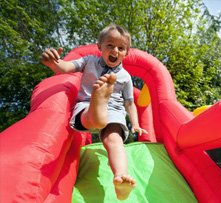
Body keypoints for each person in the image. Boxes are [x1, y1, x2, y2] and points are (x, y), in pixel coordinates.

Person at [41, 23, 147, 200]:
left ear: (126, 53)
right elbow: (65, 67)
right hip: (87, 103)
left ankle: (120, 176)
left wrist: (135, 123)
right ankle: (98, 104)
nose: (115, 50)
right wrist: (54, 62)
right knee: (101, 127)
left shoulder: (125, 77)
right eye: (110, 45)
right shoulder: (88, 61)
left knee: (113, 139)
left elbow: (130, 103)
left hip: (113, 110)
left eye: (121, 48)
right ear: (100, 46)